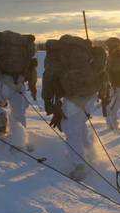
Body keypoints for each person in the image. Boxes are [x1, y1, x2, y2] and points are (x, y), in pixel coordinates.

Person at [42, 35, 107, 181]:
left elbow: (49, 78)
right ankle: (90, 152)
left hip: (73, 98)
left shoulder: (57, 54)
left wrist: (47, 100)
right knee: (79, 123)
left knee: (70, 129)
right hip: (91, 95)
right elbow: (101, 70)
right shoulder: (86, 51)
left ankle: (79, 166)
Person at [0, 31, 37, 150]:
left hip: (2, 83)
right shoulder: (25, 49)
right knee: (18, 113)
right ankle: (19, 142)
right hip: (19, 84)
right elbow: (32, 70)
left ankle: (0, 114)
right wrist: (32, 86)